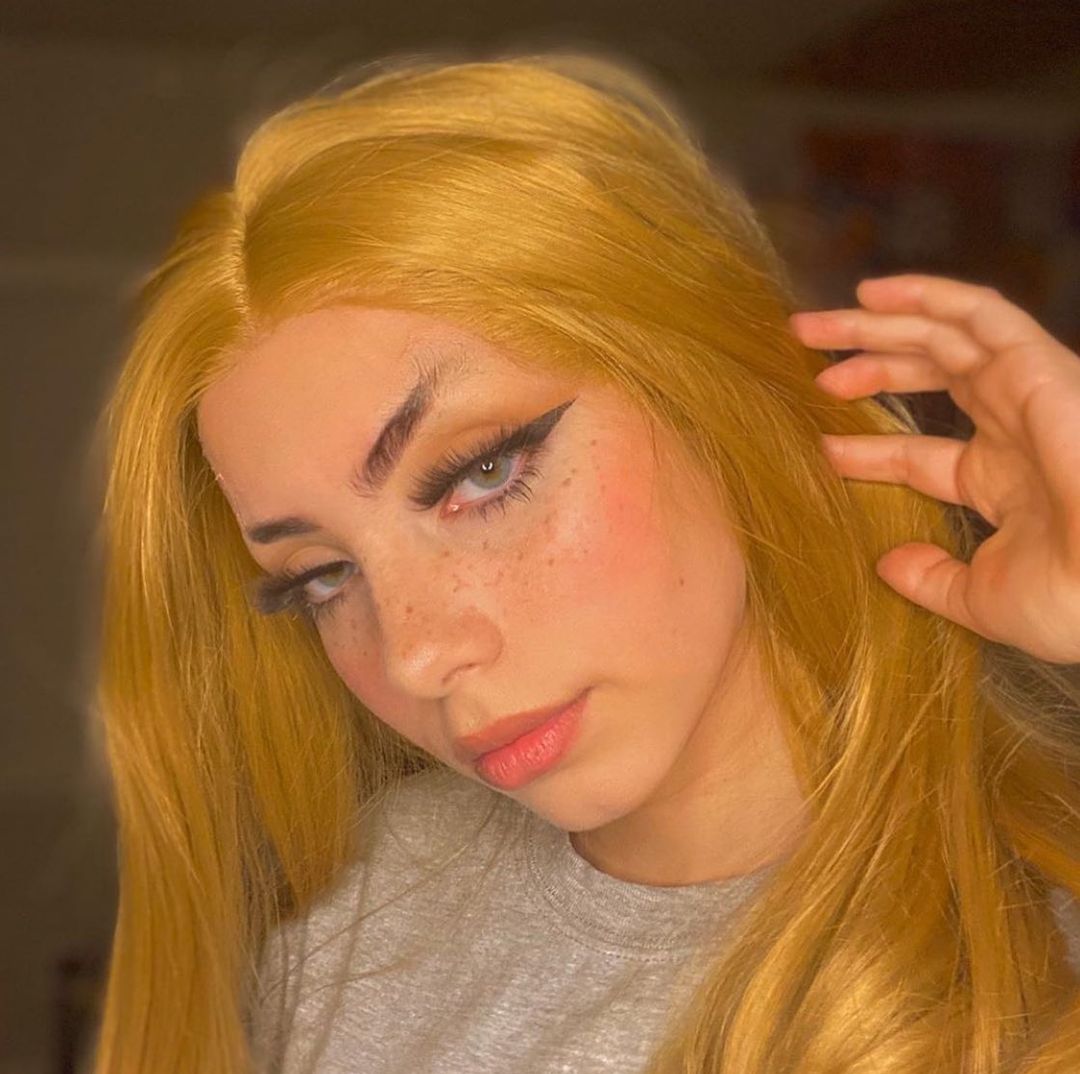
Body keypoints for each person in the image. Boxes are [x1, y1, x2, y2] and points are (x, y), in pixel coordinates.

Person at [86, 49, 1080, 1074]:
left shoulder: (1039, 976)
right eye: (323, 576)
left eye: (482, 475)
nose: (418, 657)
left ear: (708, 390)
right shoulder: (363, 920)